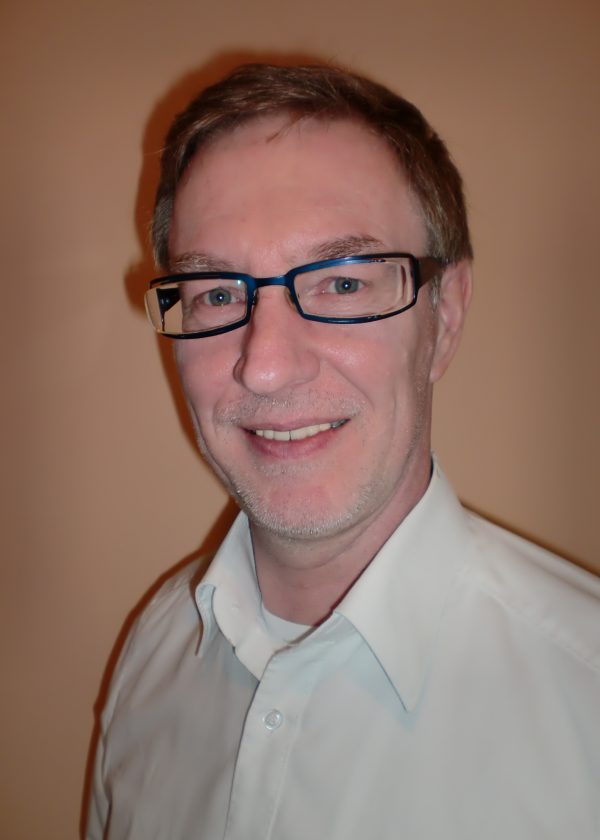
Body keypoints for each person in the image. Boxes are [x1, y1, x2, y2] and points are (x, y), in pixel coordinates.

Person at [86, 64, 600, 839]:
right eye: (217, 293)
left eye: (343, 283)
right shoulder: (151, 654)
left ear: (445, 317)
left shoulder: (584, 705)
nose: (265, 365)